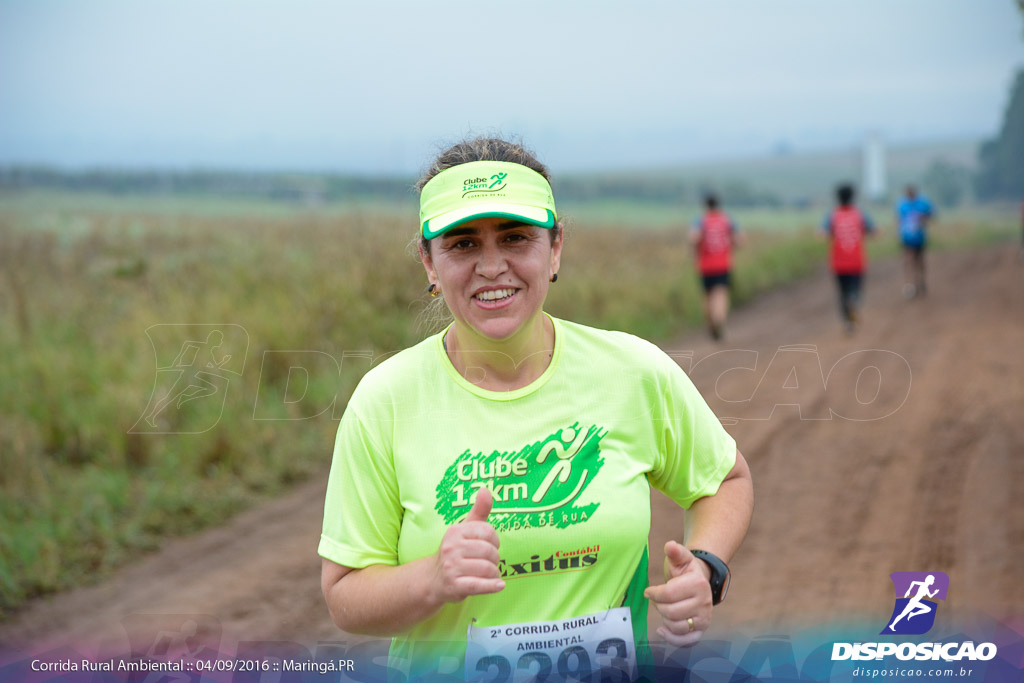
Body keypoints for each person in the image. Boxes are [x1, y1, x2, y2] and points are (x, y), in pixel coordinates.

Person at [318, 137, 753, 680]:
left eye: (516, 237)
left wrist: (707, 567)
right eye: (462, 244)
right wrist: (431, 579)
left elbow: (724, 479)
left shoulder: (633, 372)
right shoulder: (385, 401)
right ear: (429, 263)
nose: (492, 266)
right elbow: (343, 595)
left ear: (556, 248)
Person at [822, 184, 875, 334]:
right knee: (855, 289)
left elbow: (822, 233)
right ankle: (854, 300)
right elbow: (874, 231)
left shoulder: (832, 215)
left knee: (841, 292)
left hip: (838, 261)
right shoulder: (859, 214)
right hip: (856, 260)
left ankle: (847, 323)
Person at [690, 193, 741, 341]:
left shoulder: (700, 220)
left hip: (705, 265)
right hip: (723, 264)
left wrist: (695, 254)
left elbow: (693, 237)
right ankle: (719, 322)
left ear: (706, 205)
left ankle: (710, 324)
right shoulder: (727, 220)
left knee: (707, 296)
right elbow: (740, 239)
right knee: (721, 295)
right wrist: (732, 247)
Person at [895, 185, 934, 298]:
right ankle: (909, 285)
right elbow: (898, 220)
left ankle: (920, 281)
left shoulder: (923, 203)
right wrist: (898, 234)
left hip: (920, 237)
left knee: (920, 261)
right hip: (907, 238)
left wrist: (924, 219)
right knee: (908, 261)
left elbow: (931, 214)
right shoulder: (902, 204)